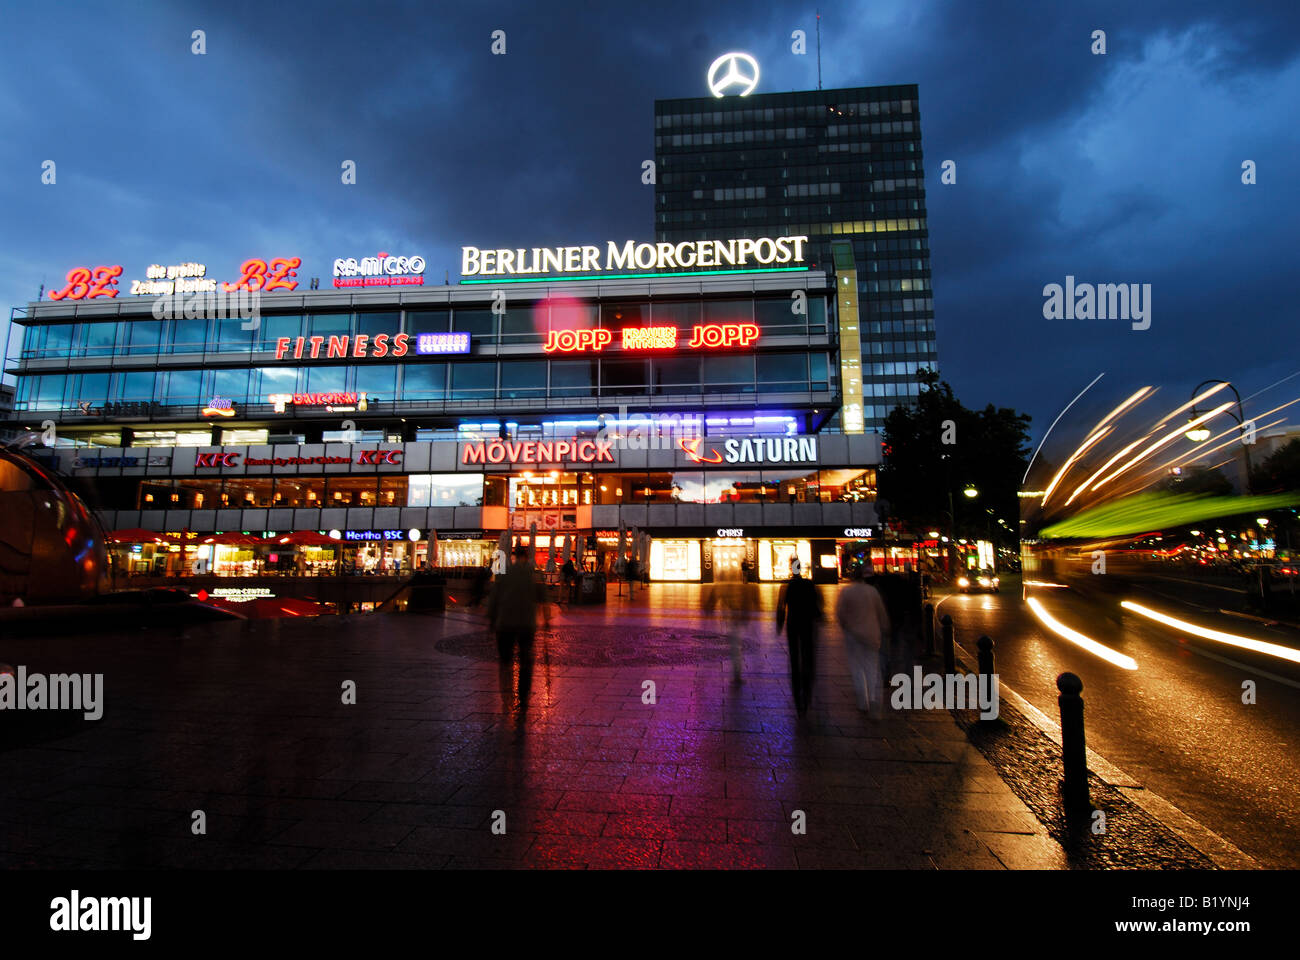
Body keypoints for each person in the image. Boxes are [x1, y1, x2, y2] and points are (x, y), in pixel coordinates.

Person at [489, 544, 550, 714]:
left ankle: (506, 693)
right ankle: (523, 696)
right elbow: (544, 598)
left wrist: (491, 619)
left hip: (505, 623)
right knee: (525, 660)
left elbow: (494, 597)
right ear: (529, 555)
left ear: (514, 556)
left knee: (505, 661)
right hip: (526, 623)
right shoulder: (534, 574)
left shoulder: (505, 573)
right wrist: (546, 620)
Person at [835, 567, 892, 716]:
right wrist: (885, 627)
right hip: (872, 634)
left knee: (857, 667)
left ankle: (863, 701)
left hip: (853, 635)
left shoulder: (847, 592)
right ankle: (873, 697)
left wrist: (845, 625)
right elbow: (881, 612)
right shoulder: (872, 592)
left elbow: (840, 613)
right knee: (872, 667)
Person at [776, 560, 823, 714]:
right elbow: (817, 605)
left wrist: (779, 625)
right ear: (801, 569)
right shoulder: (810, 584)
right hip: (807, 624)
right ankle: (807, 689)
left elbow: (781, 607)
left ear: (792, 569)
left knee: (794, 657)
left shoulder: (786, 586)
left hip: (793, 624)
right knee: (807, 654)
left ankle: (797, 694)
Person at [706, 565, 757, 684]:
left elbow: (710, 603)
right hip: (737, 620)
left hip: (731, 620)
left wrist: (709, 611)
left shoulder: (721, 587)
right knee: (736, 646)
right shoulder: (741, 587)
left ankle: (737, 674)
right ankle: (737, 674)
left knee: (735, 646)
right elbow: (749, 601)